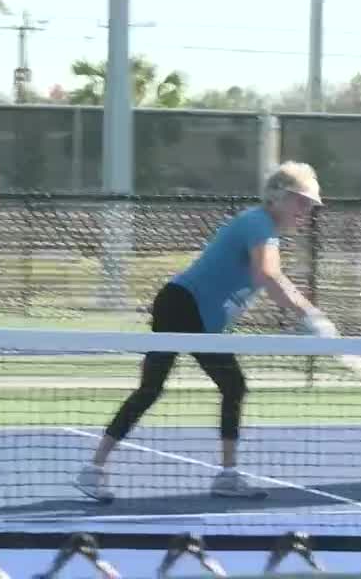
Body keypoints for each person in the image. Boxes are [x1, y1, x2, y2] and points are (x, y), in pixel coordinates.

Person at [76, 161, 341, 503]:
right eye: (301, 201)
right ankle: (94, 470)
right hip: (179, 306)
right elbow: (268, 276)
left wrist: (302, 317)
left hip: (200, 318)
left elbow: (263, 281)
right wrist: (310, 314)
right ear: (277, 197)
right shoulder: (257, 222)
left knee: (232, 386)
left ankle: (227, 476)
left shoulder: (266, 231)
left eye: (310, 205)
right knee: (152, 389)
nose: (306, 211)